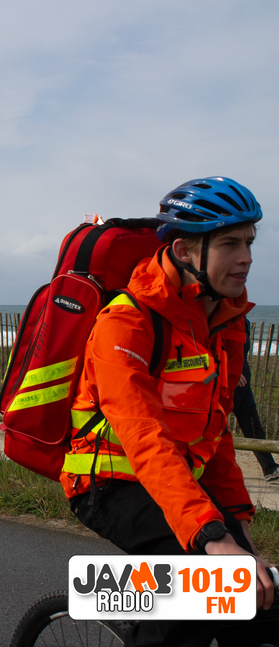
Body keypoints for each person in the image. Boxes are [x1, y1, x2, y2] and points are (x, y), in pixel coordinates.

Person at [62, 177, 277, 645]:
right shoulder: (127, 321)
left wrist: (238, 526)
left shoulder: (225, 321)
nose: (246, 257)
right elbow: (144, 436)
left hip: (176, 484)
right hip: (109, 483)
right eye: (230, 244)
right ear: (184, 251)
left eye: (249, 242)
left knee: (260, 601)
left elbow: (215, 432)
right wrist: (210, 535)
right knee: (200, 593)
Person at [233, 317, 279, 482]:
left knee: (253, 426)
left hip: (243, 384)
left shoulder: (243, 320)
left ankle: (270, 468)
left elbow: (242, 352)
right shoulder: (224, 318)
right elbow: (213, 348)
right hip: (227, 382)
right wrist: (231, 370)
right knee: (214, 427)